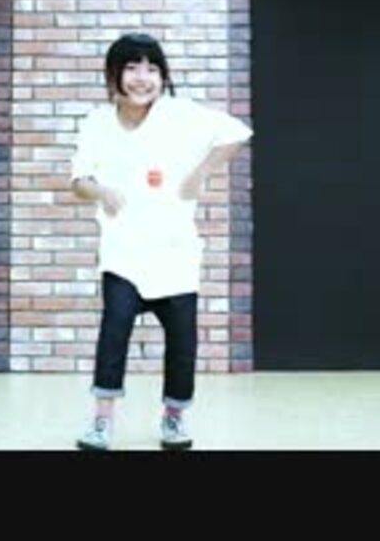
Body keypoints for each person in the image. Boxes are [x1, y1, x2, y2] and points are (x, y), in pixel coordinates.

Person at [69, 32, 253, 451]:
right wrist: (102, 191)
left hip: (175, 252)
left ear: (163, 76)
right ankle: (101, 421)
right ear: (114, 75)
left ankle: (174, 418)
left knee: (182, 342)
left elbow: (236, 132)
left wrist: (200, 173)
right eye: (132, 67)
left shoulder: (179, 114)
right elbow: (78, 180)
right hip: (123, 251)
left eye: (152, 68)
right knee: (114, 332)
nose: (142, 77)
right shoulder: (97, 122)